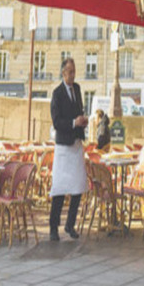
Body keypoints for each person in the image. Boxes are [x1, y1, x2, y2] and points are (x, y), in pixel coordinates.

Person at [49, 57, 88, 241]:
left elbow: (78, 109)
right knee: (59, 188)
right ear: (63, 72)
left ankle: (70, 224)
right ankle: (53, 228)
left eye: (74, 71)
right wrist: (74, 122)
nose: (73, 75)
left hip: (77, 144)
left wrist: (82, 121)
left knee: (78, 186)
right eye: (70, 72)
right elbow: (57, 122)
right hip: (64, 147)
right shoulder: (57, 94)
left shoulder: (78, 89)